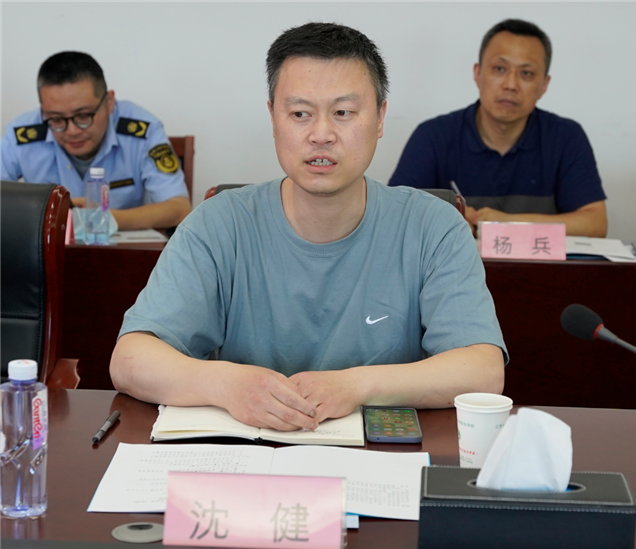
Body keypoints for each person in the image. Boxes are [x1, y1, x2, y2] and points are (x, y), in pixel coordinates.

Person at [110, 22, 507, 432]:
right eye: (300, 114)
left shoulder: (433, 226)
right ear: (273, 117)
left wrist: (356, 386)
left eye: (343, 113)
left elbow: (483, 370)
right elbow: (130, 359)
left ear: (380, 117)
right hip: (250, 455)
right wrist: (227, 384)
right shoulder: (219, 223)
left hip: (380, 456)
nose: (321, 135)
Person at [389, 19, 607, 238]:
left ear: (544, 85)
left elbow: (595, 224)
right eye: (499, 69)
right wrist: (447, 220)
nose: (510, 84)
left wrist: (509, 223)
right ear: (477, 74)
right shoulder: (434, 136)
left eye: (526, 73)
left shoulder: (566, 137)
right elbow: (395, 215)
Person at [1, 51, 191, 230]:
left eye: (83, 115)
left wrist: (98, 219)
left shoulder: (143, 131)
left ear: (109, 102)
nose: (72, 131)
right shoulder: (20, 135)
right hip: (47, 250)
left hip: (119, 248)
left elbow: (179, 208)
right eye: (56, 119)